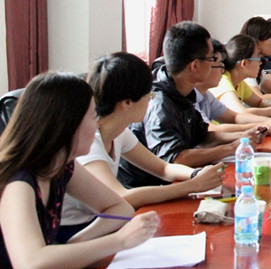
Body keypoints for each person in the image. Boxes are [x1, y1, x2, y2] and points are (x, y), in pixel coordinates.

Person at [58, 53, 226, 242]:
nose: (151, 101)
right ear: (127, 103)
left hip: (103, 222)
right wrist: (192, 186)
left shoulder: (119, 132)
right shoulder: (90, 141)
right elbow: (121, 197)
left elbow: (163, 168)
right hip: (75, 231)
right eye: (149, 95)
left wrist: (196, 174)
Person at [0, 72, 159, 268]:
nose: (97, 124)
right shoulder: (18, 181)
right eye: (93, 116)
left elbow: (120, 208)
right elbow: (31, 263)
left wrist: (77, 242)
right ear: (67, 124)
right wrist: (120, 240)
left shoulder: (62, 165)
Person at [119, 21, 266, 188]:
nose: (219, 66)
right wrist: (230, 148)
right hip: (149, 189)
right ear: (195, 65)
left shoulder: (185, 92)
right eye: (212, 58)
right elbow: (175, 158)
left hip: (177, 182)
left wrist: (243, 137)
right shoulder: (160, 104)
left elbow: (203, 136)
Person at [209, 34, 271, 119]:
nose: (260, 63)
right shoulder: (223, 82)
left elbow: (258, 102)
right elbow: (241, 113)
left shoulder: (240, 82)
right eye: (258, 58)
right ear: (244, 63)